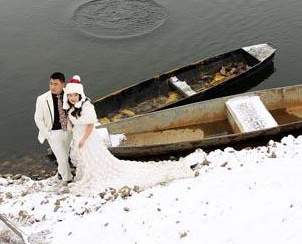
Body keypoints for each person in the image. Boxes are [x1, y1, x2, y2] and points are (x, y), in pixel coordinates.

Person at [63, 75, 204, 194]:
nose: (72, 98)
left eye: (74, 95)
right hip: (78, 136)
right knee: (84, 160)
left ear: (79, 94)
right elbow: (72, 123)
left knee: (92, 159)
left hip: (86, 138)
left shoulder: (87, 107)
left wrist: (83, 140)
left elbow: (90, 125)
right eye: (70, 95)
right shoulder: (70, 106)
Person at [34, 72, 73, 182]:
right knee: (63, 159)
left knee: (66, 155)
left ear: (63, 84)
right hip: (53, 133)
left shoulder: (70, 95)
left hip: (68, 131)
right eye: (51, 84)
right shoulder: (41, 99)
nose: (52, 87)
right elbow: (38, 119)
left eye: (56, 84)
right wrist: (48, 135)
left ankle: (61, 173)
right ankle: (68, 179)